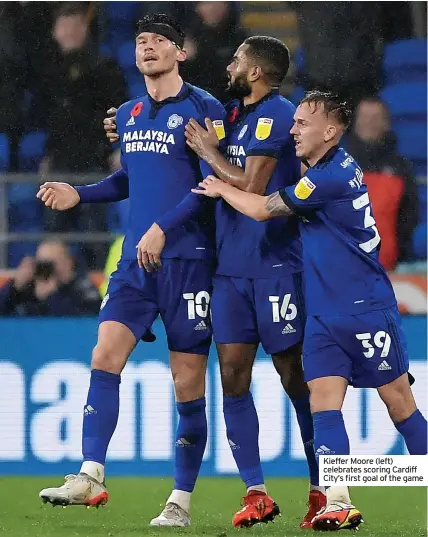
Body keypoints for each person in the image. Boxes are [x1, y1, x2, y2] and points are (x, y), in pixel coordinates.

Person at [191, 90, 428, 531]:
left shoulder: (330, 177)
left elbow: (263, 208)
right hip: (322, 313)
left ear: (331, 132)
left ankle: (407, 479)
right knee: (324, 405)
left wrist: (222, 185)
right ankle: (338, 501)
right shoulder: (323, 169)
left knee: (400, 405)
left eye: (302, 124)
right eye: (293, 121)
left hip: (366, 308)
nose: (293, 129)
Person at [36, 14, 226, 528]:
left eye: (160, 40)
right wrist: (82, 192)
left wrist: (164, 228)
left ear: (180, 52)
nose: (149, 47)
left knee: (188, 383)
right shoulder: (130, 112)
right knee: (104, 352)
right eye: (141, 41)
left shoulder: (204, 107)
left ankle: (180, 501)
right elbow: (129, 177)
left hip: (188, 263)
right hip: (134, 265)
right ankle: (91, 474)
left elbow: (213, 183)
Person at [135, 36, 325, 529]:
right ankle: (256, 492)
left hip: (277, 268)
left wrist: (209, 154)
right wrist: (122, 123)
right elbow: (179, 108)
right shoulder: (234, 115)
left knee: (294, 378)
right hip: (229, 272)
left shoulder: (277, 114)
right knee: (233, 378)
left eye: (238, 59)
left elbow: (254, 185)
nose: (230, 64)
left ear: (257, 71)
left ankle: (322, 488)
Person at [37, 3, 127, 268]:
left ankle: (97, 284)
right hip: (60, 160)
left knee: (93, 229)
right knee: (56, 228)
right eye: (62, 26)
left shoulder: (105, 66)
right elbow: (47, 118)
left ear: (83, 28)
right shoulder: (50, 69)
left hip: (94, 159)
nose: (65, 32)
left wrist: (115, 148)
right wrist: (47, 153)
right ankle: (54, 286)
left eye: (71, 25)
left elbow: (117, 110)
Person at [345, 97, 418, 270]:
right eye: (364, 117)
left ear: (386, 124)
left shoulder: (401, 168)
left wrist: (398, 254)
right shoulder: (338, 163)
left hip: (387, 267)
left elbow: (409, 217)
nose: (369, 123)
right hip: (342, 265)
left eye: (375, 117)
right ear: (355, 122)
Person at [0, 239, 100, 316]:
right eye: (42, 264)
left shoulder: (83, 287)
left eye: (51, 264)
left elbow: (89, 319)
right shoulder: (29, 285)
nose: (46, 269)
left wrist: (52, 297)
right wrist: (14, 287)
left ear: (68, 262)